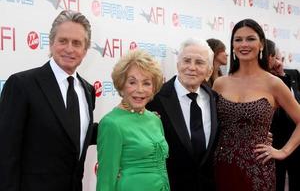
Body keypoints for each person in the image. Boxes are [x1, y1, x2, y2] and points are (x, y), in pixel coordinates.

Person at [0, 10, 96, 191]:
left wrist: (130, 120)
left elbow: (74, 134)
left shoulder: (88, 90)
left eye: (77, 43)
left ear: (85, 49)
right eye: (63, 41)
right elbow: (5, 154)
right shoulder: (22, 85)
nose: (69, 49)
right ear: (51, 43)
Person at [212, 18, 300, 191]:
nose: (244, 44)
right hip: (220, 166)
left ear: (261, 44)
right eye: (238, 40)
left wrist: (283, 151)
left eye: (250, 39)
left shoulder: (274, 83)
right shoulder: (220, 83)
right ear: (233, 46)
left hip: (258, 169)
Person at [147, 38, 218, 191]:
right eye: (186, 60)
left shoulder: (215, 100)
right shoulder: (154, 99)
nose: (191, 67)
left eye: (199, 62)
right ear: (178, 64)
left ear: (209, 71)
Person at [96, 49, 169, 191]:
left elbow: (162, 168)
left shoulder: (155, 119)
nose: (140, 89)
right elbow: (106, 179)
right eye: (132, 82)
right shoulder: (111, 123)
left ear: (154, 88)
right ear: (121, 85)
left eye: (147, 83)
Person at [267, 40, 300, 191]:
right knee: (276, 182)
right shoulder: (262, 79)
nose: (279, 62)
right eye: (276, 58)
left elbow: (295, 101)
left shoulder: (292, 75)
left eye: (281, 59)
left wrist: (281, 75)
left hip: (294, 137)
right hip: (274, 139)